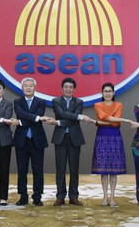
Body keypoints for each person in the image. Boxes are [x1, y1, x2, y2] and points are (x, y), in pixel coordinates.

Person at [51, 77, 94, 206]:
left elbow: (69, 119)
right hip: (60, 138)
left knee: (74, 169)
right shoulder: (56, 101)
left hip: (75, 139)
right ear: (62, 88)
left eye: (71, 87)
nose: (68, 89)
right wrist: (79, 116)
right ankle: (60, 196)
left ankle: (74, 196)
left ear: (74, 89)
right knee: (60, 169)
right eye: (66, 87)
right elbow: (62, 114)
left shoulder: (79, 102)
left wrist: (58, 122)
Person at [13, 77, 55, 206]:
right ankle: (23, 196)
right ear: (22, 88)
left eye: (31, 85)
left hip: (37, 140)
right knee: (22, 169)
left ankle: (37, 197)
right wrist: (37, 118)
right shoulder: (17, 101)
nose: (28, 87)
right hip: (22, 140)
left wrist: (20, 122)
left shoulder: (41, 102)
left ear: (35, 88)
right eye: (26, 85)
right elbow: (21, 113)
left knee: (38, 169)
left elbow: (24, 117)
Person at [91, 83, 133, 207]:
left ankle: (113, 197)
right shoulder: (97, 105)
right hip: (102, 137)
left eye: (110, 91)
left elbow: (111, 121)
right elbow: (103, 117)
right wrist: (121, 120)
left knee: (113, 170)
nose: (108, 94)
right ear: (102, 93)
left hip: (115, 137)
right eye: (105, 91)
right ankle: (105, 197)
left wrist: (101, 122)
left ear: (113, 93)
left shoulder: (119, 104)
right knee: (103, 169)